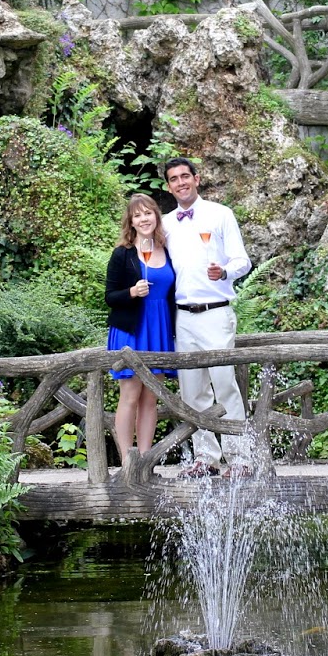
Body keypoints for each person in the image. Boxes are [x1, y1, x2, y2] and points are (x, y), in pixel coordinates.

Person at [161, 157, 252, 478]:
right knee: (192, 390)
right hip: (182, 317)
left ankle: (240, 458)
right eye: (174, 179)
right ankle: (206, 458)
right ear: (168, 186)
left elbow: (243, 261)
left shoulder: (220, 214)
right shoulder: (165, 224)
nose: (181, 182)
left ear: (196, 179)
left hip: (215, 312)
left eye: (185, 176)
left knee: (225, 384)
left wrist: (224, 270)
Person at [104, 194, 178, 466]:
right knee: (131, 395)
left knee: (150, 398)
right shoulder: (122, 254)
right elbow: (110, 296)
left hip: (159, 330)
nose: (144, 219)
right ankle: (127, 462)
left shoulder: (167, 250)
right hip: (132, 331)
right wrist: (132, 292)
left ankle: (145, 462)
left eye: (148, 213)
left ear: (156, 216)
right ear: (131, 222)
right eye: (137, 215)